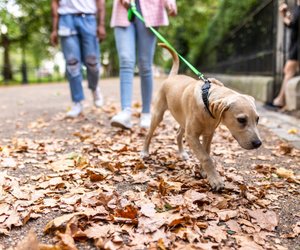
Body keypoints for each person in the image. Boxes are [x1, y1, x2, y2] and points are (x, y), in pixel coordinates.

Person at [110, 0, 177, 129]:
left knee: (145, 64)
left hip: (151, 9)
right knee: (125, 60)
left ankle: (146, 113)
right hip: (123, 9)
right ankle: (125, 112)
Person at [50, 0, 106, 118]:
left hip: (88, 18)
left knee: (92, 62)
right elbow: (54, 3)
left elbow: (100, 2)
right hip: (66, 20)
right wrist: (54, 29)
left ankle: (94, 87)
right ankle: (77, 102)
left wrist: (101, 24)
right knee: (72, 63)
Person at [273, 1, 300, 108]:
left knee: (288, 70)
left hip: (298, 46)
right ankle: (281, 100)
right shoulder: (296, 6)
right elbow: (290, 24)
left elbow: (292, 24)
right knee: (288, 70)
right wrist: (284, 15)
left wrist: (283, 15)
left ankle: (280, 100)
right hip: (294, 45)